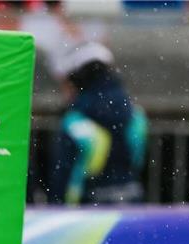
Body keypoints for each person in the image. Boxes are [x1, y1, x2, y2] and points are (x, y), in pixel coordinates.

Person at [48, 42, 147, 205]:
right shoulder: (135, 115)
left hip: (85, 212)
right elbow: (137, 161)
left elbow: (62, 177)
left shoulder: (74, 122)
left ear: (77, 78)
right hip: (131, 201)